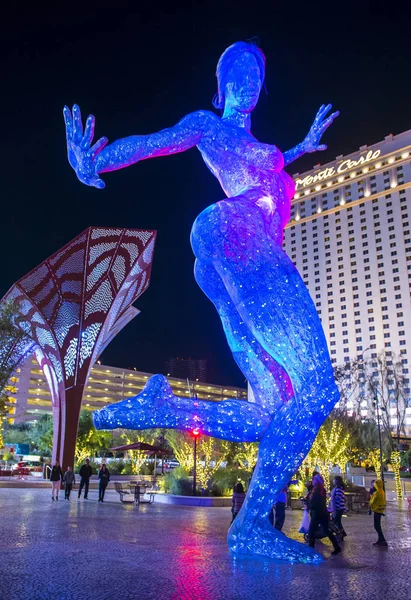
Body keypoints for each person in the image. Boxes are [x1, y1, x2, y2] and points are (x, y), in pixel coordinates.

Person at [65, 41, 339, 563]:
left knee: (270, 413)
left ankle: (165, 407)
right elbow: (156, 142)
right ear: (218, 90)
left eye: (256, 70)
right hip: (237, 233)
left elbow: (268, 166)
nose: (249, 77)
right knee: (319, 388)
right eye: (236, 70)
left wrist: (299, 148)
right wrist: (97, 159)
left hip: (227, 256)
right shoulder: (208, 127)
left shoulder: (259, 148)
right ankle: (253, 525)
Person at [308, 475, 341, 555]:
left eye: (314, 480)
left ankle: (311, 549)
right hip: (322, 513)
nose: (312, 481)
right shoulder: (320, 489)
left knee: (311, 532)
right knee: (327, 530)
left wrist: (309, 506)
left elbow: (315, 503)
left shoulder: (317, 490)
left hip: (317, 513)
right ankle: (337, 547)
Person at [369, 479, 387, 547]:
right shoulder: (382, 492)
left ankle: (382, 540)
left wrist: (370, 507)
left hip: (377, 510)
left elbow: (371, 502)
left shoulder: (376, 493)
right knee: (378, 525)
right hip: (380, 510)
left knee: (377, 526)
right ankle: (380, 540)